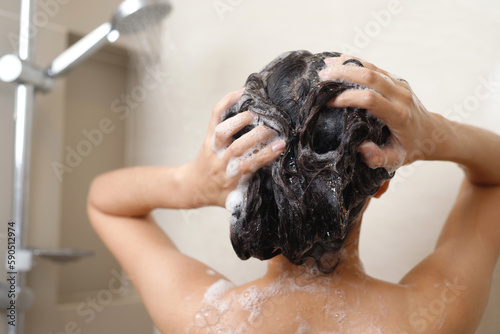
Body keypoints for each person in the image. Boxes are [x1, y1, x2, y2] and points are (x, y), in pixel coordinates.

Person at [87, 52, 500, 333]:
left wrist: (191, 185)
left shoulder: (206, 320)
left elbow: (105, 203)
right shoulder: (429, 318)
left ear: (245, 190)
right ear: (381, 183)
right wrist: (435, 135)